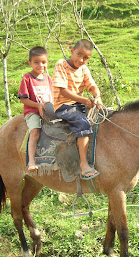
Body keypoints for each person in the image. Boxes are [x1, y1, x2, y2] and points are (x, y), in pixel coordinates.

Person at [52, 39, 103, 180]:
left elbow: (92, 86)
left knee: (101, 116)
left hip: (77, 104)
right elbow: (64, 92)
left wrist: (97, 97)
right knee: (82, 123)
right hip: (63, 106)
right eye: (79, 54)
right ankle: (83, 164)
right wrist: (85, 100)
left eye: (86, 58)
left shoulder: (84, 69)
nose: (81, 60)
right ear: (71, 51)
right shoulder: (61, 65)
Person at [18, 46, 53, 172]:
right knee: (35, 131)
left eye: (43, 62)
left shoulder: (47, 78)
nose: (40, 65)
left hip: (47, 111)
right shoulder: (27, 78)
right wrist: (38, 105)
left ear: (47, 62)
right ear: (30, 63)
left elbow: (52, 96)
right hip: (33, 112)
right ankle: (31, 160)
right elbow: (23, 99)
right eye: (36, 62)